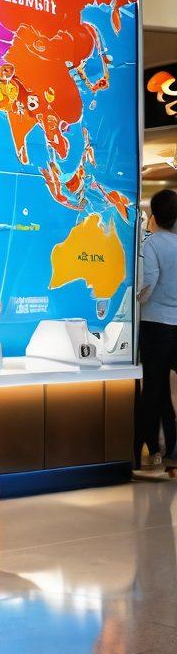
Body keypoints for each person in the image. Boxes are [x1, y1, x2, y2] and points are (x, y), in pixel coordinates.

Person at [138, 189, 177, 475]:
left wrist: (139, 299)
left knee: (153, 388)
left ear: (154, 215)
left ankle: (151, 448)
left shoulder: (153, 244)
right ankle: (172, 445)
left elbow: (149, 279)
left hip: (154, 324)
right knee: (166, 390)